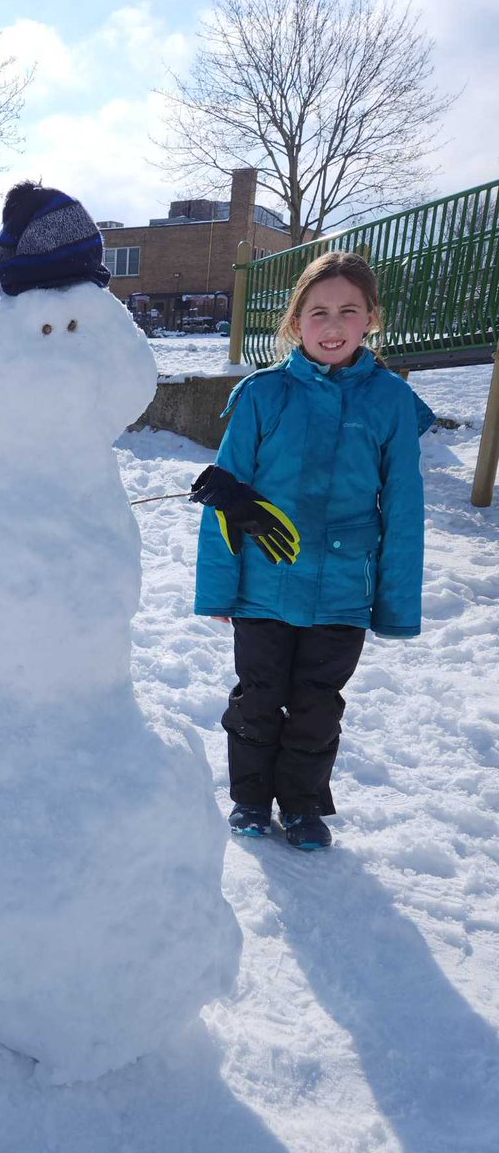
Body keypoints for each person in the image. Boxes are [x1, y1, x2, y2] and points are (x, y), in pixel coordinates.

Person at [193, 251, 435, 849]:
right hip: (263, 587)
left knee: (317, 706)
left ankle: (302, 806)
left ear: (371, 319)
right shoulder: (261, 395)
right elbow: (227, 496)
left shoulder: (391, 402)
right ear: (295, 322)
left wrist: (396, 603)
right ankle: (250, 798)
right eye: (317, 312)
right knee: (259, 698)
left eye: (348, 311)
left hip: (343, 590)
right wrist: (220, 586)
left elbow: (404, 507)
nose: (332, 325)